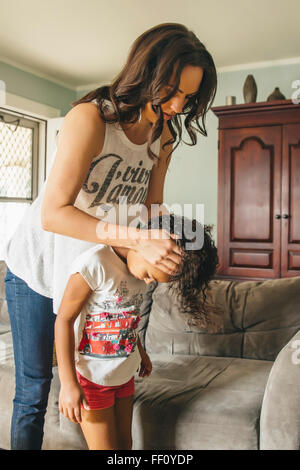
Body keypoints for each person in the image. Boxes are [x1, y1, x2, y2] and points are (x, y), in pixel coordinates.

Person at [3, 22, 217, 449]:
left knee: (89, 383)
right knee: (33, 392)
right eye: (172, 90)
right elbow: (53, 213)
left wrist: (179, 241)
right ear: (147, 73)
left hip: (86, 270)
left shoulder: (164, 136)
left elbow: (152, 210)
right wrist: (135, 239)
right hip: (37, 268)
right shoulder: (91, 119)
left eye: (188, 97)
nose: (178, 104)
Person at [55, 214, 219, 450]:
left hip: (124, 375)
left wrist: (139, 351)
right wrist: (68, 383)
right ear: (153, 246)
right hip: (92, 378)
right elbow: (63, 320)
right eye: (152, 276)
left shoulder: (139, 274)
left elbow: (127, 317)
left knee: (126, 446)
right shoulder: (95, 263)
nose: (150, 282)